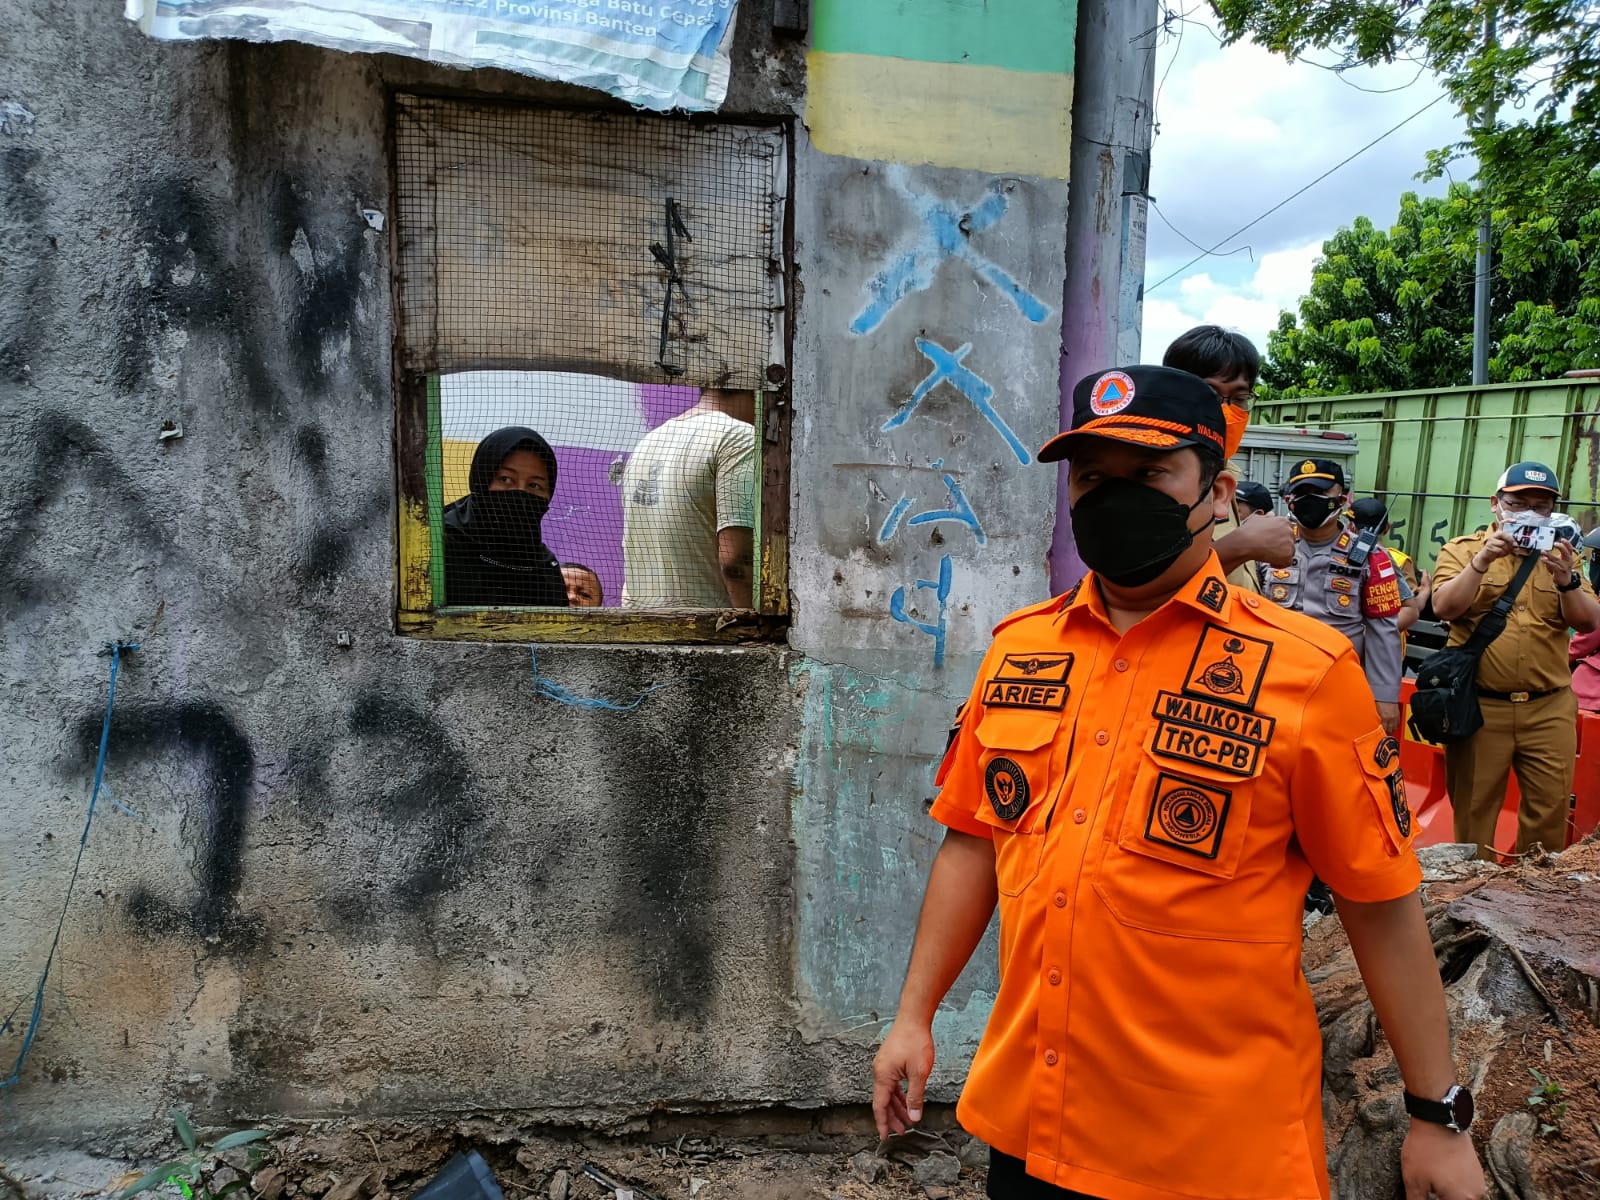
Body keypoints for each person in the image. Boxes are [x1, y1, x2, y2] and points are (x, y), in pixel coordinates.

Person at [872, 365, 1484, 1200]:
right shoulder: (1022, 648)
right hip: (1032, 1128)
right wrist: (914, 1016)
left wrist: (1435, 1116)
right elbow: (973, 841)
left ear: (1218, 491)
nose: (1113, 497)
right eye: (1092, 478)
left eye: (1149, 474)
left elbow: (1379, 904)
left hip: (1213, 1149)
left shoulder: (1306, 673)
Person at [1430, 462, 1600, 857]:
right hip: (1481, 707)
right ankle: (1474, 902)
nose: (1528, 512)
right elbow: (1444, 607)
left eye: (1540, 506)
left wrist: (1567, 581)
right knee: (1475, 813)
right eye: (1518, 502)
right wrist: (1482, 562)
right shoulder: (1464, 550)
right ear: (1496, 505)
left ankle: (1530, 902)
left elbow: (1588, 621)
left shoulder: (1562, 555)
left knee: (1549, 813)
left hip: (1549, 707)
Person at [1261, 459, 1405, 734]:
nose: (1309, 501)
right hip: (1273, 684)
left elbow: (1383, 628)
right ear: (1289, 500)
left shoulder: (1370, 556)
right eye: (1302, 494)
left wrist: (1384, 696)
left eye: (1320, 492)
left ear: (1343, 498)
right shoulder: (1268, 548)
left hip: (1337, 686)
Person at [1162, 326, 1293, 591]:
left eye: (1239, 398)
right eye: (1210, 394)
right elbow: (1145, 588)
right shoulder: (1153, 474)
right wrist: (1242, 545)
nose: (1226, 411)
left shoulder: (1223, 471)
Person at [621, 388, 756, 609]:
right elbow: (737, 561)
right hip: (710, 631)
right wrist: (755, 626)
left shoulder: (647, 443)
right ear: (756, 389)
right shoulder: (740, 438)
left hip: (643, 627)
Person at [441, 426, 568, 607]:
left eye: (534, 485)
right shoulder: (440, 545)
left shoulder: (545, 567)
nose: (519, 493)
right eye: (505, 479)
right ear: (481, 479)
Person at [1350, 497, 1431, 634]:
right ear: (1387, 528)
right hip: (1387, 642)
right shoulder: (1400, 560)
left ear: (1351, 526)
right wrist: (1425, 590)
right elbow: (1412, 608)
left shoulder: (1337, 554)